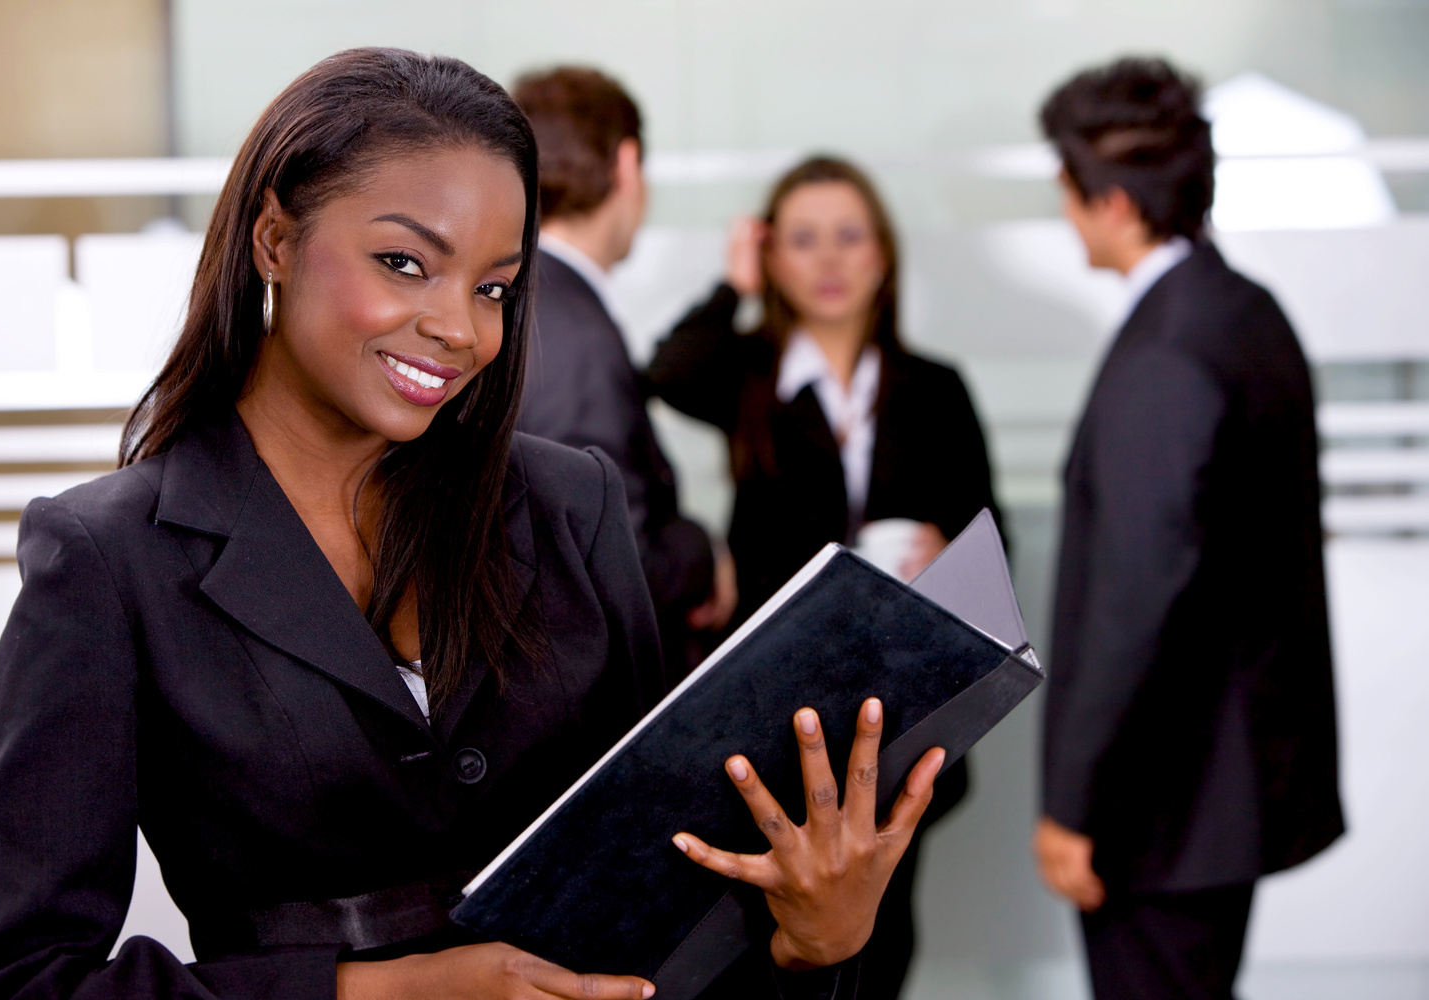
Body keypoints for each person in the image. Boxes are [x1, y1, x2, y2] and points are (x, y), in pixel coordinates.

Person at [0, 49, 949, 1000]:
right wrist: (366, 991)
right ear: (275, 238)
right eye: (405, 264)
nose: (462, 329)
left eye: (495, 286)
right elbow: (13, 980)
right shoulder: (112, 557)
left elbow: (667, 900)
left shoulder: (568, 504)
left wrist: (813, 940)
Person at [645, 156, 997, 999]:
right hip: (777, 715)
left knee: (883, 943)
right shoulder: (749, 379)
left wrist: (946, 548)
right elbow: (667, 370)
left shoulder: (935, 390)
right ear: (772, 258)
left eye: (849, 237)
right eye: (801, 240)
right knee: (778, 954)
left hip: (903, 718)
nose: (829, 260)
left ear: (882, 256)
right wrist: (733, 286)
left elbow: (994, 549)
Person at [1033, 57, 1344, 1000]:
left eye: (1067, 187)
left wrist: (1072, 807)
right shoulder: (1246, 312)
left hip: (1161, 809)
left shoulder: (1166, 351)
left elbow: (1136, 597)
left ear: (1113, 202)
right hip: (1230, 790)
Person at [511, 67, 731, 686]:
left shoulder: (514, 300)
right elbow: (606, 553)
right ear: (627, 165)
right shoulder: (574, 332)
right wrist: (700, 554)